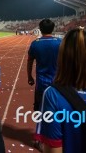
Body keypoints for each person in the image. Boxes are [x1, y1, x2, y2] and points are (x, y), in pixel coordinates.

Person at [27, 19, 61, 149]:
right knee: (58, 109)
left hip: (41, 83)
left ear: (40, 29)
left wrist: (29, 76)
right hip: (58, 82)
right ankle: (56, 137)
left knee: (41, 110)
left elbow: (30, 61)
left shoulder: (35, 43)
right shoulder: (60, 42)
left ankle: (40, 139)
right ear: (53, 29)